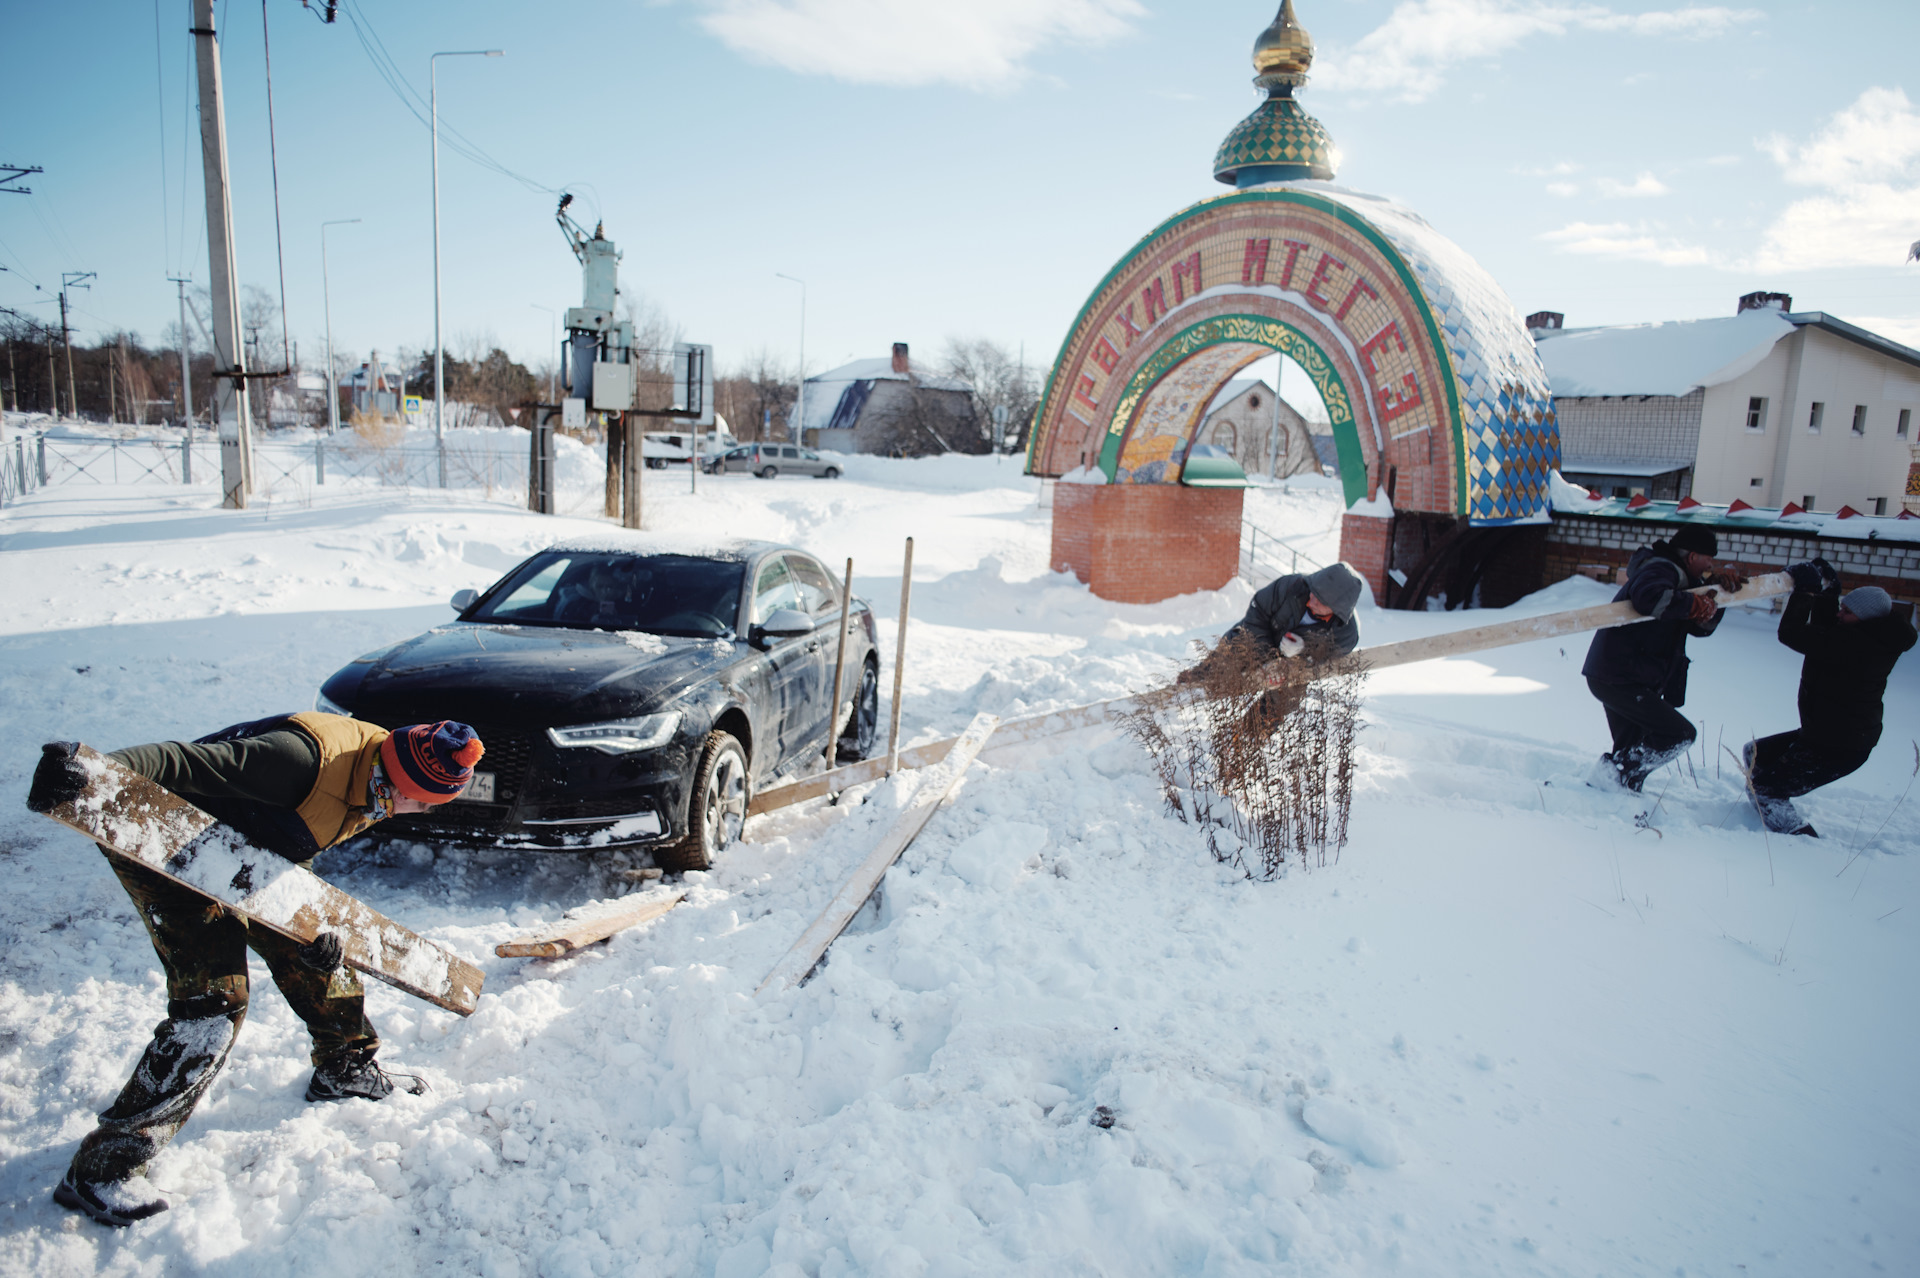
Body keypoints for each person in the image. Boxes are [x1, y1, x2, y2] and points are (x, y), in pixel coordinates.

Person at [25, 712, 484, 1228]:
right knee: (215, 1003)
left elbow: (298, 831)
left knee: (318, 947)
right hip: (166, 837)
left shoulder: (382, 782)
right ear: (400, 778)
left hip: (246, 846)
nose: (421, 809)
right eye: (421, 798)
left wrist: (305, 919)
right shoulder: (301, 759)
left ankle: (345, 1067)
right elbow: (180, 762)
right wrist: (91, 771)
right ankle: (102, 1170)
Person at [1743, 572, 1914, 836]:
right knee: (1756, 754)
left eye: (1846, 611)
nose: (1839, 613)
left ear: (1865, 619)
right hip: (1821, 735)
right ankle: (1766, 804)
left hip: (1839, 747)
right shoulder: (1863, 634)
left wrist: (1804, 593)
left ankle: (1799, 840)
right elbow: (1828, 629)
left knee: (1766, 789)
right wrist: (1828, 593)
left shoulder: (1859, 646)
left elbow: (1792, 633)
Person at [1581, 525, 1746, 792]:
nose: (1710, 564)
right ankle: (1611, 778)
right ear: (1692, 556)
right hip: (1619, 676)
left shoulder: (1684, 581)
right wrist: (1694, 604)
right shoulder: (1661, 569)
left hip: (1622, 676)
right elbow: (1649, 598)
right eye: (1707, 558)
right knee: (1679, 734)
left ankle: (1610, 794)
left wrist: (1717, 597)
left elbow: (1698, 628)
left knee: (1632, 747)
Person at [1180, 563, 1364, 725]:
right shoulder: (1291, 586)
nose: (1311, 601)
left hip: (1292, 668)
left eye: (1320, 601)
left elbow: (1329, 656)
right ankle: (1186, 687)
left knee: (1284, 699)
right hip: (1257, 638)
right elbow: (1257, 613)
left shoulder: (1345, 633)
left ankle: (1245, 738)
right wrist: (1266, 656)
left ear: (1337, 608)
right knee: (1227, 657)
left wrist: (1304, 652)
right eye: (1313, 594)